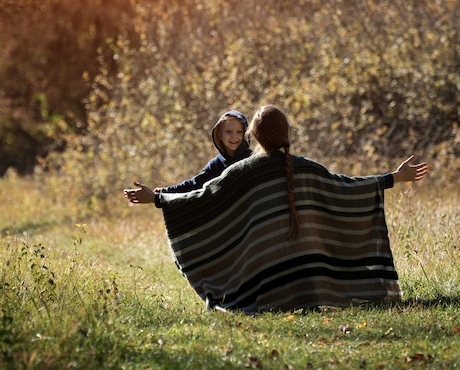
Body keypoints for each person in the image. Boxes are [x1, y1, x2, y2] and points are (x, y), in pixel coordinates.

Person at [124, 105, 428, 313]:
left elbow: (201, 198)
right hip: (310, 284)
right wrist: (393, 178)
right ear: (287, 133)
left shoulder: (241, 171)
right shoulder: (307, 168)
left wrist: (158, 198)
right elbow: (348, 187)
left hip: (262, 287)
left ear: (252, 136)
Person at [152, 109, 252, 194]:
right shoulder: (215, 165)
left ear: (245, 134)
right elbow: (195, 184)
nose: (234, 137)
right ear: (220, 135)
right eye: (228, 132)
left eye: (239, 132)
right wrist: (164, 192)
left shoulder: (252, 159)